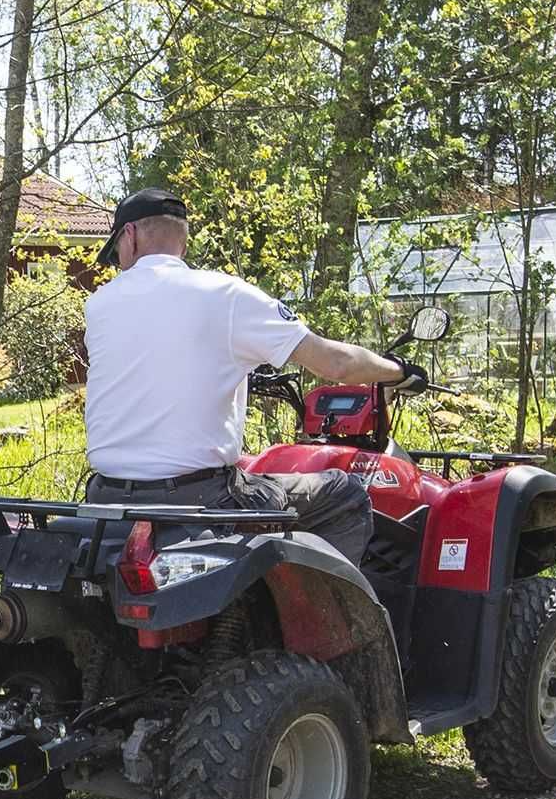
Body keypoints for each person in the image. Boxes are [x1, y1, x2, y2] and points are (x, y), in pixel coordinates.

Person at [82, 188, 427, 567]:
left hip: (105, 499)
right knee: (345, 495)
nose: (118, 262)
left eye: (115, 252)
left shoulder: (98, 304)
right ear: (183, 239)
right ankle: (317, 623)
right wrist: (398, 371)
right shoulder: (223, 294)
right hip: (200, 500)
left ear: (128, 236)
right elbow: (337, 364)